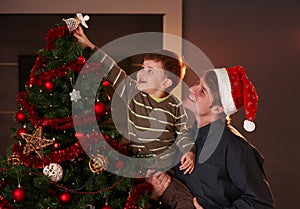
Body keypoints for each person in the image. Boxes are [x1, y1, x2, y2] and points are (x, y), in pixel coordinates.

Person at [74, 26, 197, 208]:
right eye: (143, 67)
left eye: (150, 71)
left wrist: (189, 151)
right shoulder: (133, 92)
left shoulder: (174, 105)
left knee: (185, 201)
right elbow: (112, 70)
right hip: (136, 165)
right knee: (128, 197)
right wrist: (90, 46)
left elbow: (183, 133)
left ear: (165, 82)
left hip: (165, 169)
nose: (141, 72)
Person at [149, 66, 275, 209]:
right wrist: (154, 194)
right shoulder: (181, 137)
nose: (192, 89)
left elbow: (261, 203)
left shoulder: (235, 147)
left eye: (202, 91)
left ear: (218, 108)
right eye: (197, 82)